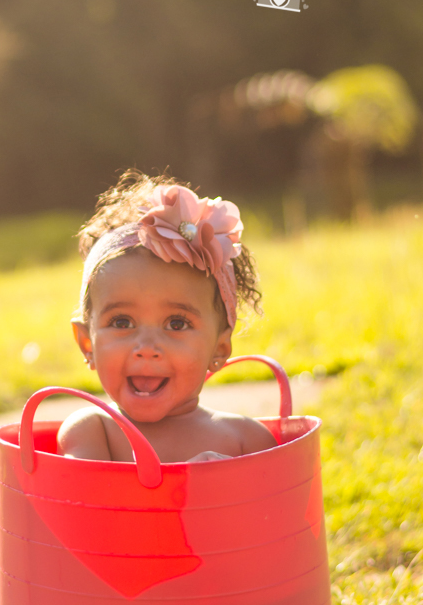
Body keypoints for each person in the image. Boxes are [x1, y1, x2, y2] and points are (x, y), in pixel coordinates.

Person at [58, 170, 276, 464]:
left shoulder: (247, 440)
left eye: (177, 324)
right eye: (122, 322)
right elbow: (80, 505)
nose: (147, 347)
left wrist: (228, 482)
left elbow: (286, 509)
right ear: (87, 343)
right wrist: (185, 488)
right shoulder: (94, 431)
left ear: (219, 349)